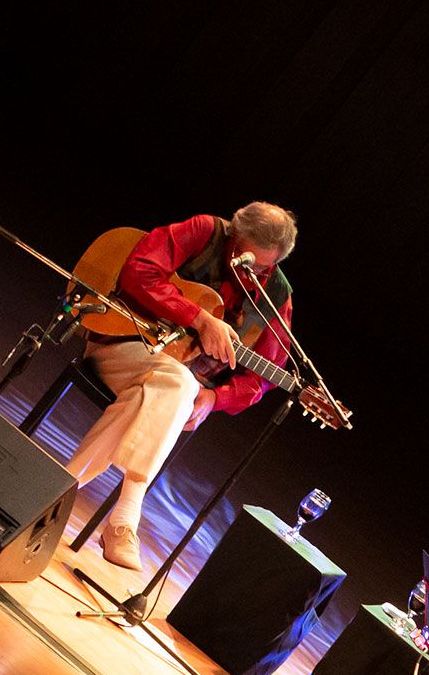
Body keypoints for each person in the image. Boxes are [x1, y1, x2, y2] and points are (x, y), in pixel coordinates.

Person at [66, 202, 299, 571]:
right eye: (243, 256)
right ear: (234, 234)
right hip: (120, 343)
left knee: (175, 387)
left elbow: (263, 377)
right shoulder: (204, 231)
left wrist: (214, 396)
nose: (248, 270)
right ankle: (122, 519)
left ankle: (58, 490)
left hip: (170, 387)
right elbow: (138, 270)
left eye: (262, 266)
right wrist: (198, 317)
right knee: (178, 384)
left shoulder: (277, 297)